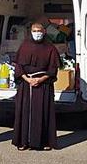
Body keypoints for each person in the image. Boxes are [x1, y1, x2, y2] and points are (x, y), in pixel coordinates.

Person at [11, 22, 60, 151]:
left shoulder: (50, 48)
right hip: (26, 84)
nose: (37, 33)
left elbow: (53, 69)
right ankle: (23, 141)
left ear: (44, 32)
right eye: (34, 30)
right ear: (30, 32)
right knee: (24, 111)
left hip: (43, 84)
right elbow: (19, 67)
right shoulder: (24, 46)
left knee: (43, 112)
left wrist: (41, 79)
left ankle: (43, 142)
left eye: (39, 30)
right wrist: (28, 79)